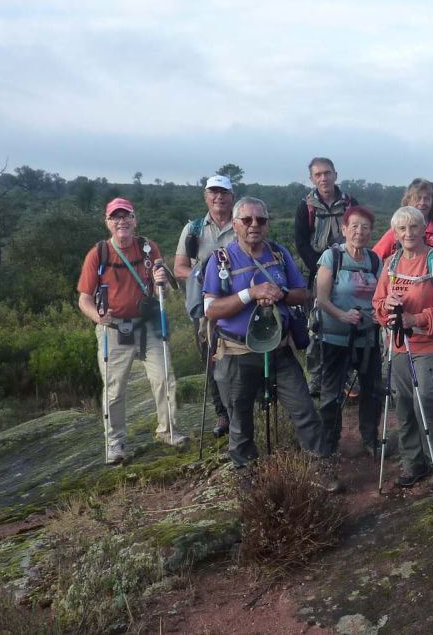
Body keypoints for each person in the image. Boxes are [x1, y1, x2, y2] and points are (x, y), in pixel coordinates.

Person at [202, 197, 339, 490]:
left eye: (261, 220)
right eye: (247, 220)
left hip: (279, 349)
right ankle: (246, 478)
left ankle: (321, 468)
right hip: (237, 352)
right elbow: (210, 309)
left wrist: (279, 292)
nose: (254, 225)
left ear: (267, 224)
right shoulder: (221, 259)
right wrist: (250, 294)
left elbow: (303, 294)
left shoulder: (278, 253)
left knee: (304, 410)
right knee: (239, 420)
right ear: (235, 224)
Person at [78, 198, 187, 465]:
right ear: (107, 222)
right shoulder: (98, 254)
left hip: (147, 325)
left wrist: (162, 277)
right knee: (114, 389)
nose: (121, 221)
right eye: (115, 217)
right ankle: (115, 444)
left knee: (164, 378)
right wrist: (97, 317)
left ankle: (168, 431)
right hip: (114, 329)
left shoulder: (149, 248)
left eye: (126, 216)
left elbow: (165, 282)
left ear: (135, 220)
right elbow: (84, 299)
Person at [372, 204, 433, 491]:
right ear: (394, 232)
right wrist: (388, 307)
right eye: (402, 228)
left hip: (432, 346)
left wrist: (415, 318)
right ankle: (413, 463)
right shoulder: (392, 263)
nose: (408, 233)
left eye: (414, 227)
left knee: (427, 406)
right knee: (405, 408)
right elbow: (377, 304)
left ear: (424, 229)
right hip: (399, 346)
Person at [315, 205, 382, 456]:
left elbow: (382, 295)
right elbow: (321, 299)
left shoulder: (375, 260)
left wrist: (379, 312)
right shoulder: (332, 257)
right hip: (335, 338)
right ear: (344, 229)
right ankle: (329, 445)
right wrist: (343, 315)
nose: (359, 232)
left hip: (368, 338)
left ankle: (370, 438)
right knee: (332, 394)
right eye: (354, 226)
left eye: (365, 227)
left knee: (372, 390)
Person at [173, 174, 236, 438]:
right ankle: (222, 414)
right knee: (211, 361)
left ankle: (241, 412)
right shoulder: (194, 229)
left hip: (238, 304)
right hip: (205, 308)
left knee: (241, 358)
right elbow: (179, 268)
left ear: (232, 196)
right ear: (206, 196)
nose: (218, 197)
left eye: (223, 192)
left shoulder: (243, 223)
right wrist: (203, 275)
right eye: (213, 192)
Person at [294, 158, 359, 395]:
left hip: (348, 270)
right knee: (317, 324)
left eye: (327, 173)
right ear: (312, 178)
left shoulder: (350, 203)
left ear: (335, 175)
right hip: (315, 271)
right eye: (318, 174)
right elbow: (301, 241)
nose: (324, 178)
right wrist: (321, 268)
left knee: (347, 320)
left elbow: (359, 231)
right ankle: (317, 378)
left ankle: (347, 375)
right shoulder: (306, 206)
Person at [372, 178, 433, 258]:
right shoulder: (396, 231)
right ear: (408, 201)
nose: (422, 203)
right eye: (418, 198)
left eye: (427, 199)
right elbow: (374, 258)